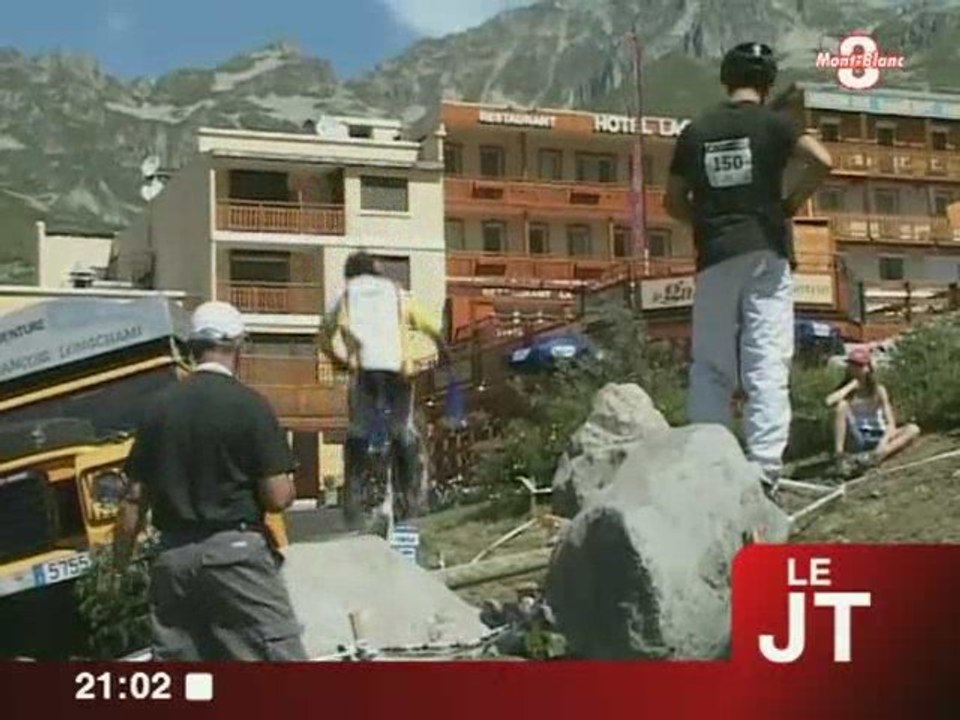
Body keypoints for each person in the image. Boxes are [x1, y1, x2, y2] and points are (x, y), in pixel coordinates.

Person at [664, 41, 834, 495]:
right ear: (768, 82)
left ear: (726, 79)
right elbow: (822, 161)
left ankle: (709, 464)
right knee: (766, 360)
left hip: (715, 253)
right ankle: (763, 470)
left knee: (711, 364)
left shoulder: (696, 131)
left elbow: (672, 200)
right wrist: (789, 204)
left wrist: (705, 221)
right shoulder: (776, 125)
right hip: (767, 249)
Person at [113, 301, 307, 662]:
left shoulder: (159, 408)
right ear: (238, 346)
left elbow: (134, 499)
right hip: (234, 554)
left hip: (172, 561)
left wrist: (120, 564)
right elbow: (277, 497)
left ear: (192, 348)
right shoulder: (249, 405)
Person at [318, 251, 448, 529]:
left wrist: (337, 358)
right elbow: (430, 325)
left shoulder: (345, 293)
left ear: (350, 273)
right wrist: (442, 349)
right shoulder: (398, 293)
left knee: (358, 430)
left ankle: (354, 495)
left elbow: (325, 333)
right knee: (404, 428)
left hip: (364, 371)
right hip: (397, 371)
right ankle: (412, 496)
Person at [826, 347, 920, 478]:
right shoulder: (846, 391)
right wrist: (850, 387)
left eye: (859, 366)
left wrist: (884, 441)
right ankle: (839, 457)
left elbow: (890, 422)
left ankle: (876, 457)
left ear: (867, 368)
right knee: (841, 406)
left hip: (878, 433)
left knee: (912, 429)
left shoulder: (878, 390)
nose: (855, 369)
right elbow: (829, 401)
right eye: (852, 365)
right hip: (858, 436)